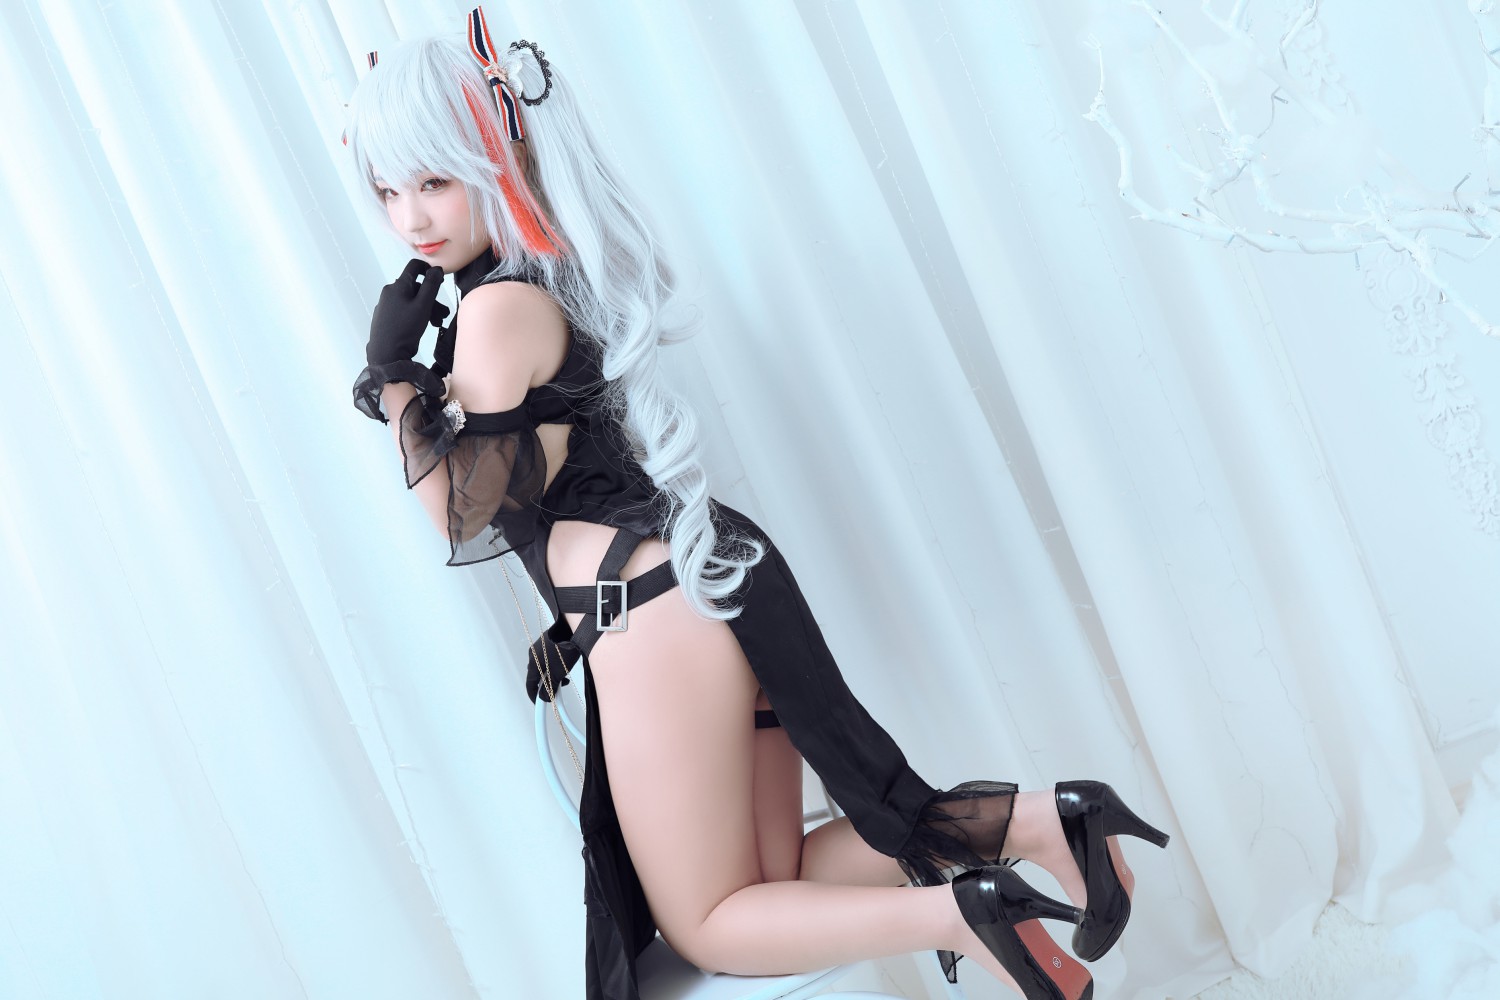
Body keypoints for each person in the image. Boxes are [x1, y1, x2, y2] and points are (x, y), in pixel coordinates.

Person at [344, 9, 1170, 1000]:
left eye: (433, 180)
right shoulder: (545, 273)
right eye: (387, 189)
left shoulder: (490, 311)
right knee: (770, 880)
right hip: (697, 581)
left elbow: (463, 515)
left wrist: (393, 377)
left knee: (711, 927)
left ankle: (964, 912)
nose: (410, 217)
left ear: (497, 155)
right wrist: (571, 625)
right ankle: (1046, 822)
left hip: (652, 615)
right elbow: (553, 481)